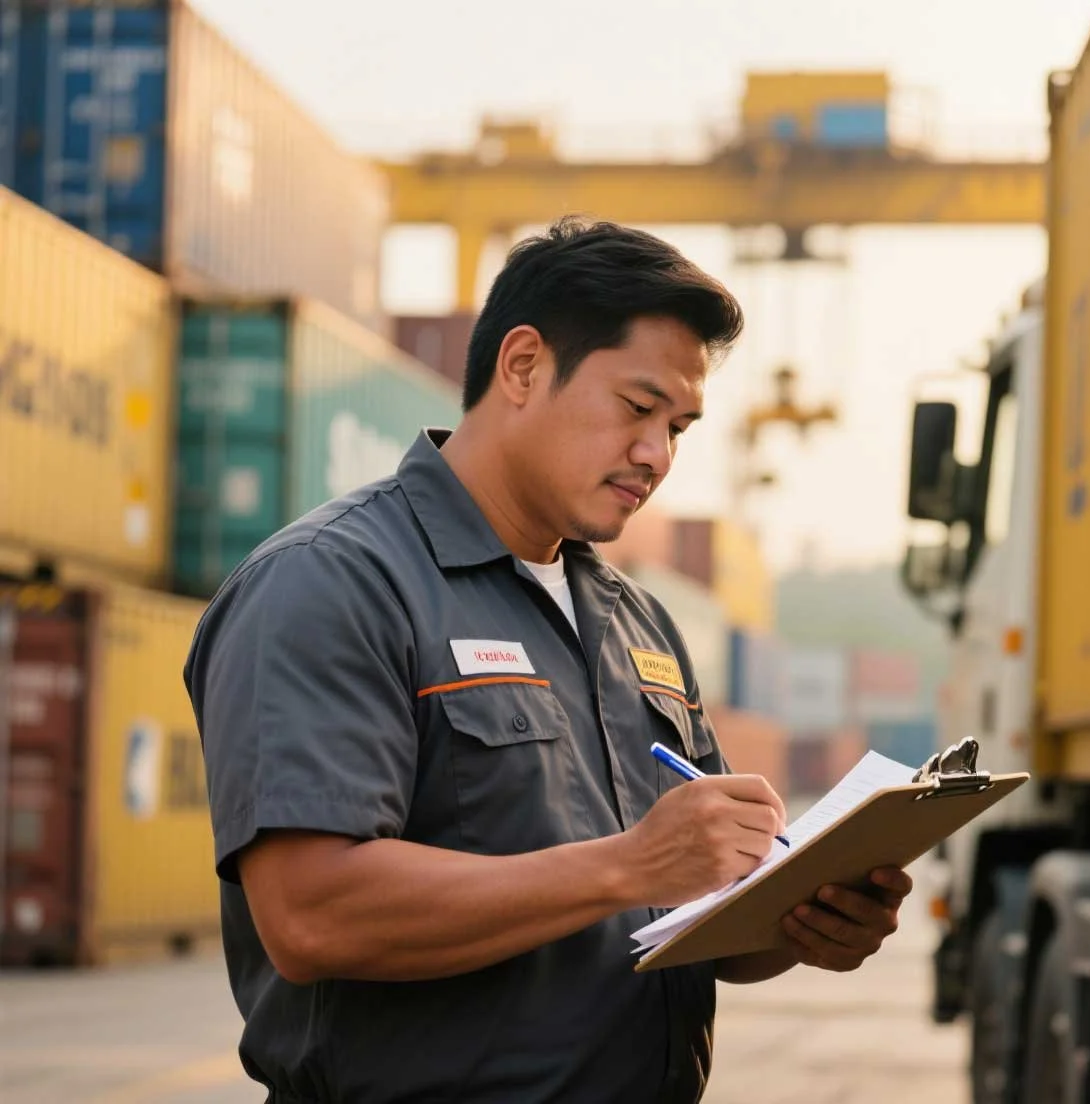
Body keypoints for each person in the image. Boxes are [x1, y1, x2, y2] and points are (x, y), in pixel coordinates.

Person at [184, 217, 913, 1103]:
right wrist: (632, 864)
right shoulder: (330, 584)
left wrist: (801, 922)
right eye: (638, 409)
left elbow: (700, 915)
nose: (659, 455)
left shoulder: (635, 620)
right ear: (523, 366)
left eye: (679, 426)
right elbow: (310, 913)